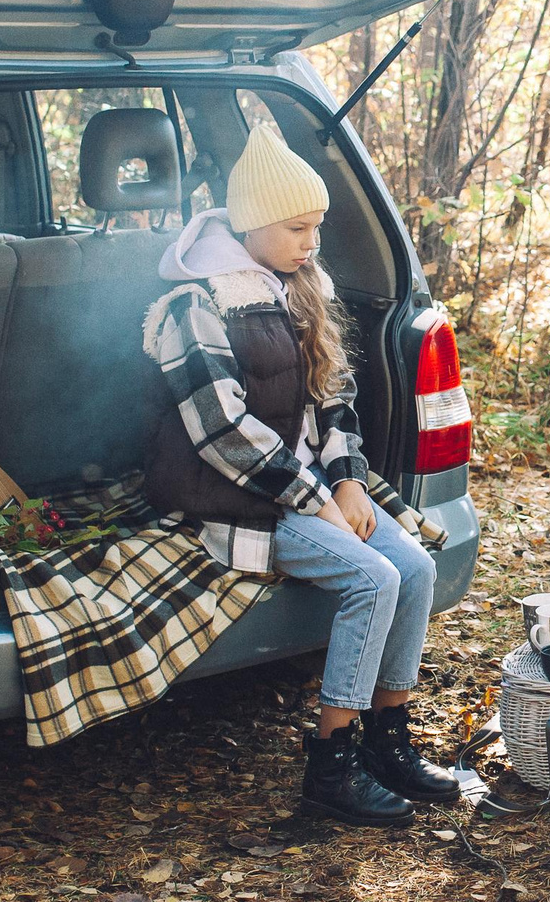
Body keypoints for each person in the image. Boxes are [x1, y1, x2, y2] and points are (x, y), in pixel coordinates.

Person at [142, 125, 459, 826]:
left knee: (414, 570)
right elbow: (222, 433)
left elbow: (333, 393)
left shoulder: (300, 282)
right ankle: (331, 764)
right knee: (371, 578)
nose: (311, 242)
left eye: (316, 226)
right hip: (228, 496)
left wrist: (346, 479)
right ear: (251, 223)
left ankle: (389, 739)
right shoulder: (193, 305)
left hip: (302, 484)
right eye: (296, 227)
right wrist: (315, 498)